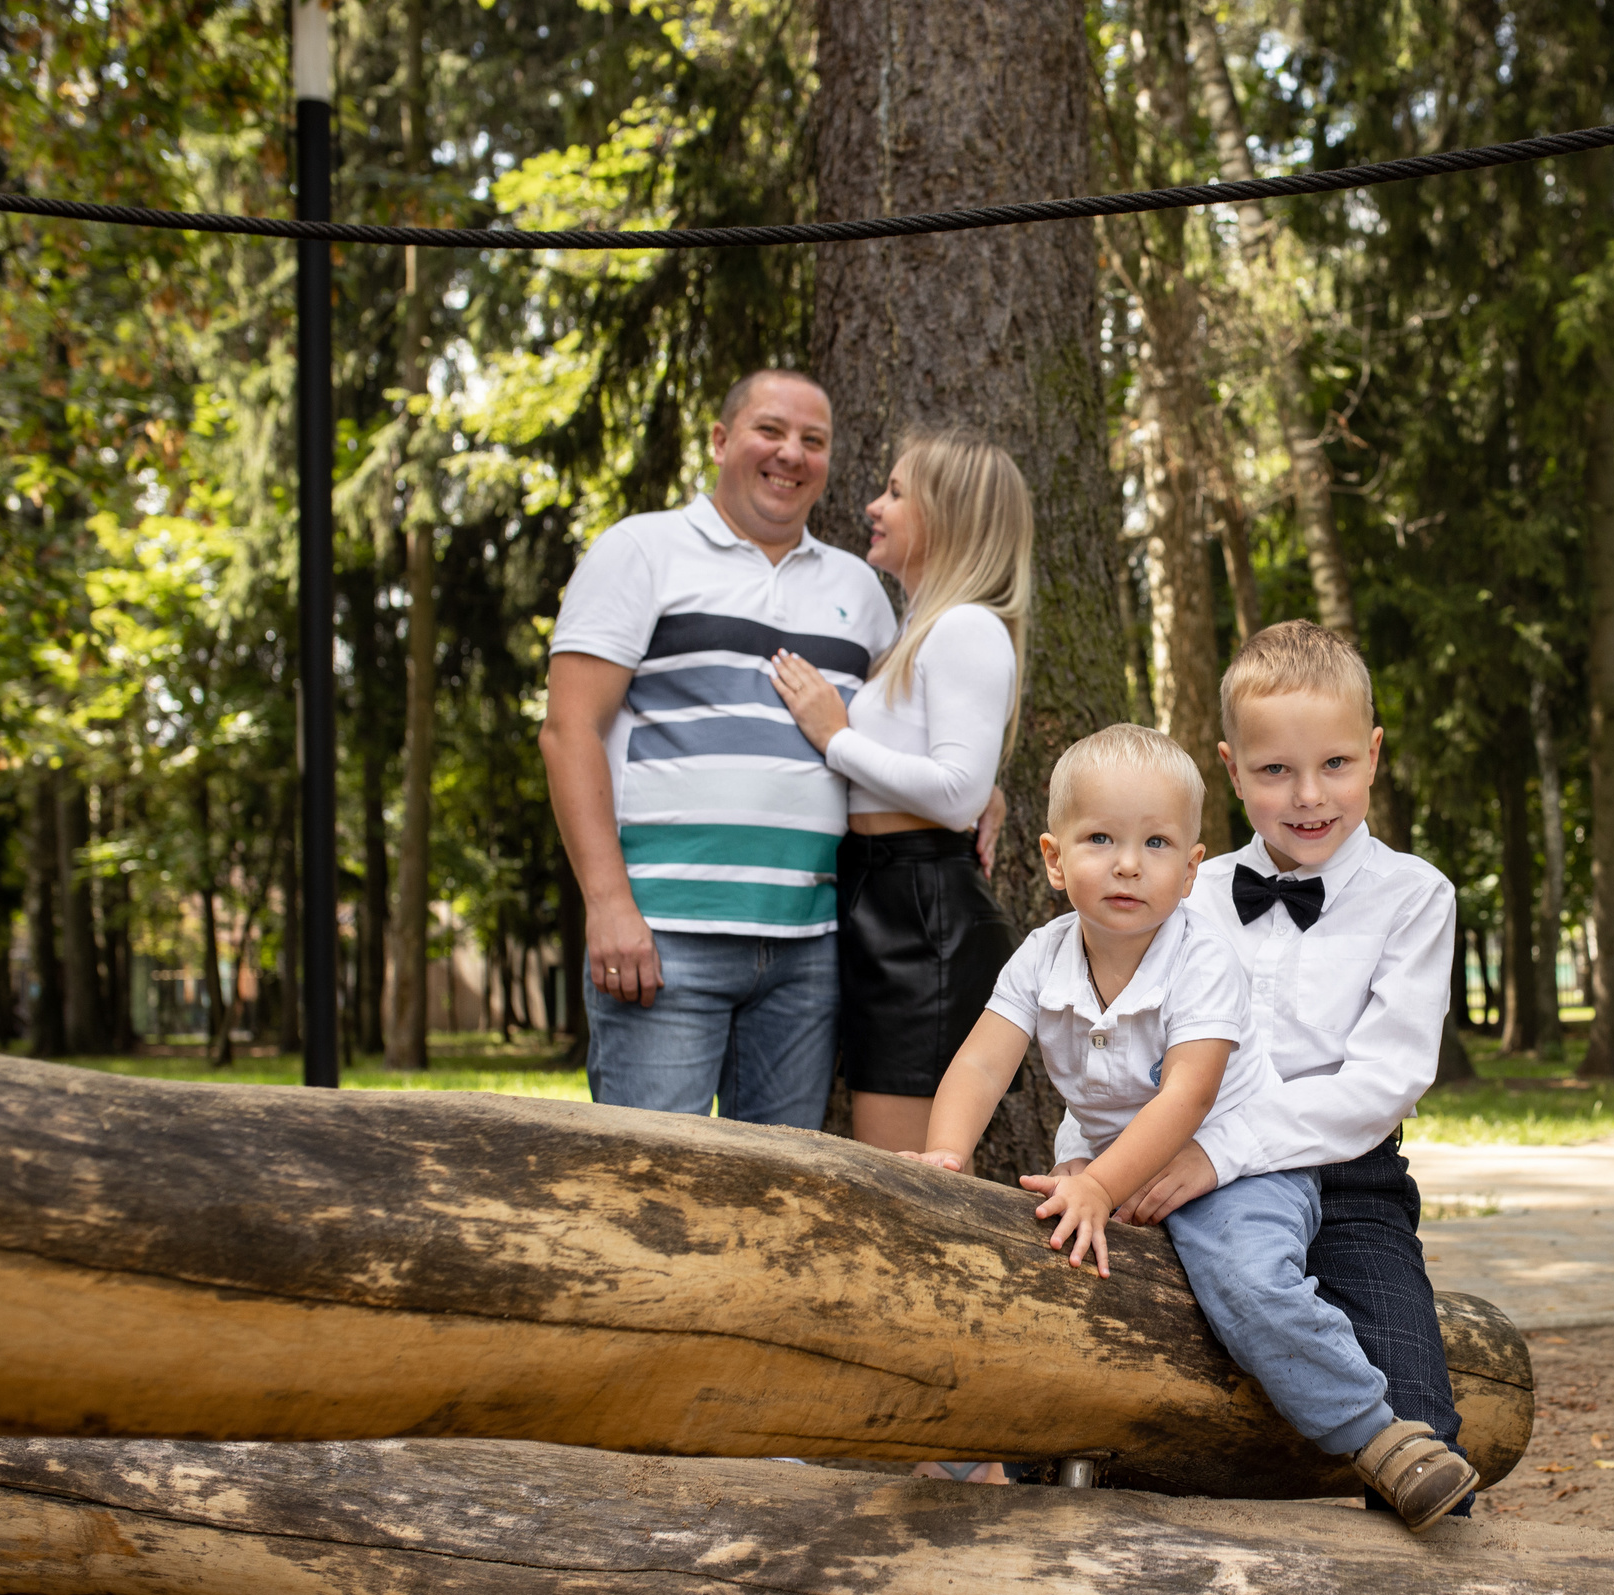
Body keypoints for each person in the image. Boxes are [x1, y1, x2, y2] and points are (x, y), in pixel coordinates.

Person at [913, 723, 1481, 1533]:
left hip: (1235, 1164)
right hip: (1107, 1163)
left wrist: (1106, 1186)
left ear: (1192, 871)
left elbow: (1187, 1096)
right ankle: (996, 1460)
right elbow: (979, 1064)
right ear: (1050, 856)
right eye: (1100, 838)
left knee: (1247, 1283)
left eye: (1154, 843)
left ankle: (1378, 1433)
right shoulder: (1039, 956)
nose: (1126, 862)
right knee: (1044, 1273)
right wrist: (947, 1152)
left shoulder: (1205, 954)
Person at [1118, 620, 1473, 1515]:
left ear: (1374, 755)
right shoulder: (1186, 893)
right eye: (1275, 771)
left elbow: (1380, 1083)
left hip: (1349, 1179)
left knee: (1419, 1420)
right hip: (1189, 1174)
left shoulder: (1415, 896)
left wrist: (1222, 1149)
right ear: (1232, 770)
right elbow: (1119, 1037)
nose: (1309, 796)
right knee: (1126, 1384)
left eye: (1336, 766)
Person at [539, 369, 893, 1126]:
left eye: (813, 440)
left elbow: (896, 733)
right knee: (647, 1189)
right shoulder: (640, 550)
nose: (790, 454)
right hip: (662, 940)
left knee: (775, 1200)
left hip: (808, 951)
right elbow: (568, 731)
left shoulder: (860, 589)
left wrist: (980, 790)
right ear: (722, 439)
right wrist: (607, 905)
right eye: (771, 430)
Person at [768, 427, 1027, 1155]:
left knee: (910, 1185)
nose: (872, 506)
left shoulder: (967, 627)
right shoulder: (921, 629)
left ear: (945, 516)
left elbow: (955, 794)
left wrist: (835, 736)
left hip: (921, 921)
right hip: (883, 897)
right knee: (901, 1173)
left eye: (896, 493)